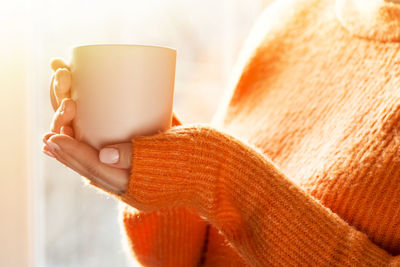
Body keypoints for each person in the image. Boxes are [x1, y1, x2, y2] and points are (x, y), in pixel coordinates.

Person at [42, 0, 400, 265]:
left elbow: (220, 180)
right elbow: (192, 255)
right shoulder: (292, 16)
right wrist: (156, 162)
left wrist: (213, 172)